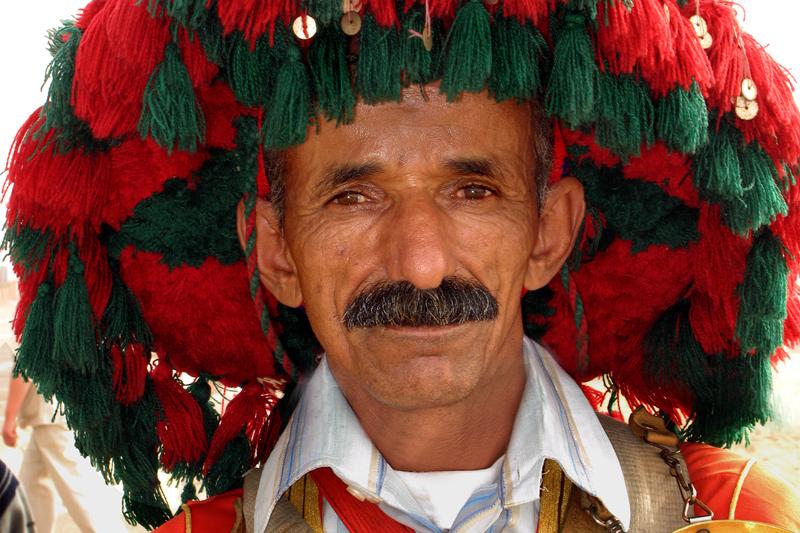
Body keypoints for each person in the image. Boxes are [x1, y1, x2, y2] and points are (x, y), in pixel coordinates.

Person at [4, 0, 800, 532]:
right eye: (354, 197)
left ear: (549, 234)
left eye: (472, 190)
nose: (420, 264)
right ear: (275, 248)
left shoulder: (740, 513)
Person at [2, 374, 128, 533]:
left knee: (79, 491)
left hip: (50, 416)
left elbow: (23, 368)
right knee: (33, 489)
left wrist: (9, 419)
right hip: (52, 413)